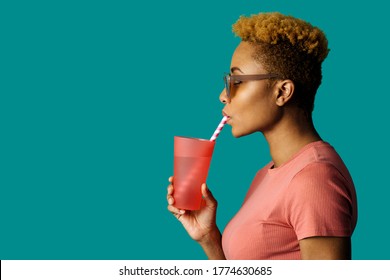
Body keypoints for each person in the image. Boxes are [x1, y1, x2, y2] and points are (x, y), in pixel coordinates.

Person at [166, 12, 357, 260]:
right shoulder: (269, 174)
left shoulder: (314, 179)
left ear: (282, 92)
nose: (223, 96)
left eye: (237, 80)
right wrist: (209, 237)